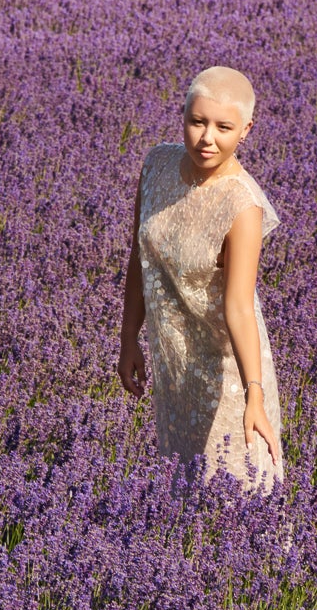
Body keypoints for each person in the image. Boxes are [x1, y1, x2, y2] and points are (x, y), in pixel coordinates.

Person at [117, 66, 285, 494]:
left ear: (246, 130)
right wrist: (128, 339)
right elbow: (139, 256)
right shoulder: (156, 166)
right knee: (181, 496)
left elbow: (239, 307)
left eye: (224, 127)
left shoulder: (242, 205)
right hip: (176, 366)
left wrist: (254, 395)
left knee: (241, 500)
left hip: (229, 373)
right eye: (197, 121)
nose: (207, 138)